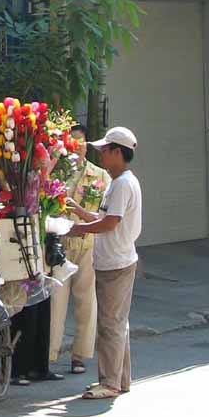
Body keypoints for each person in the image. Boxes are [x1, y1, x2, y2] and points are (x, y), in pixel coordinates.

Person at [66, 125, 141, 400]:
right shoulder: (118, 182)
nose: (101, 156)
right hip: (115, 260)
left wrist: (78, 229)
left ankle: (109, 383)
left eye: (105, 151)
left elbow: (110, 223)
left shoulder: (122, 184)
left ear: (118, 153)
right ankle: (120, 379)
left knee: (110, 325)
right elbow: (102, 216)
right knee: (117, 323)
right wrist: (79, 212)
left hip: (116, 263)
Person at [48, 123, 110, 376]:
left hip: (87, 244)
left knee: (87, 301)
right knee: (56, 302)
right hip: (60, 243)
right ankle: (49, 355)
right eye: (72, 143)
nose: (77, 148)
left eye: (81, 143)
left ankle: (80, 355)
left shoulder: (99, 175)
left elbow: (105, 213)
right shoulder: (56, 174)